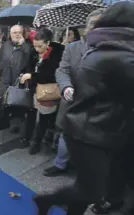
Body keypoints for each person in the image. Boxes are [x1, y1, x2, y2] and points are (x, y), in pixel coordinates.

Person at [33, 2, 134, 215]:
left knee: (87, 184)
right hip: (88, 129)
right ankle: (46, 200)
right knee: (93, 190)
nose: (91, 28)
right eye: (89, 24)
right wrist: (66, 85)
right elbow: (62, 70)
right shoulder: (113, 53)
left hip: (107, 129)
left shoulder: (113, 48)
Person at [43, 8, 106, 177]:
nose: (96, 28)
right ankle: (60, 164)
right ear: (86, 26)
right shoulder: (71, 48)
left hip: (97, 106)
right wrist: (66, 86)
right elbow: (62, 71)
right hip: (72, 101)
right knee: (66, 134)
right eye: (93, 24)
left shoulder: (109, 50)